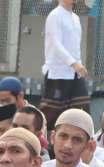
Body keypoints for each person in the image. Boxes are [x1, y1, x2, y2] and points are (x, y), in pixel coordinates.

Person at [42, 0, 90, 131]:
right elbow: (55, 44)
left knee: (82, 108)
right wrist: (73, 63)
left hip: (74, 73)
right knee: (52, 113)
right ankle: (45, 140)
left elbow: (75, 46)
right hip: (57, 72)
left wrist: (78, 64)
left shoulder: (75, 18)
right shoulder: (55, 15)